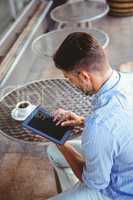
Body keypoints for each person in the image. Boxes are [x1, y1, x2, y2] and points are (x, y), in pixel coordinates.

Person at [47, 32, 133, 200]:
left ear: (84, 76)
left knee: (56, 150)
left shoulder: (99, 126)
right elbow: (121, 126)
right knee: (52, 151)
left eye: (69, 78)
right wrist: (81, 121)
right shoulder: (128, 79)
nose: (71, 84)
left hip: (120, 192)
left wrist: (60, 142)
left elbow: (95, 183)